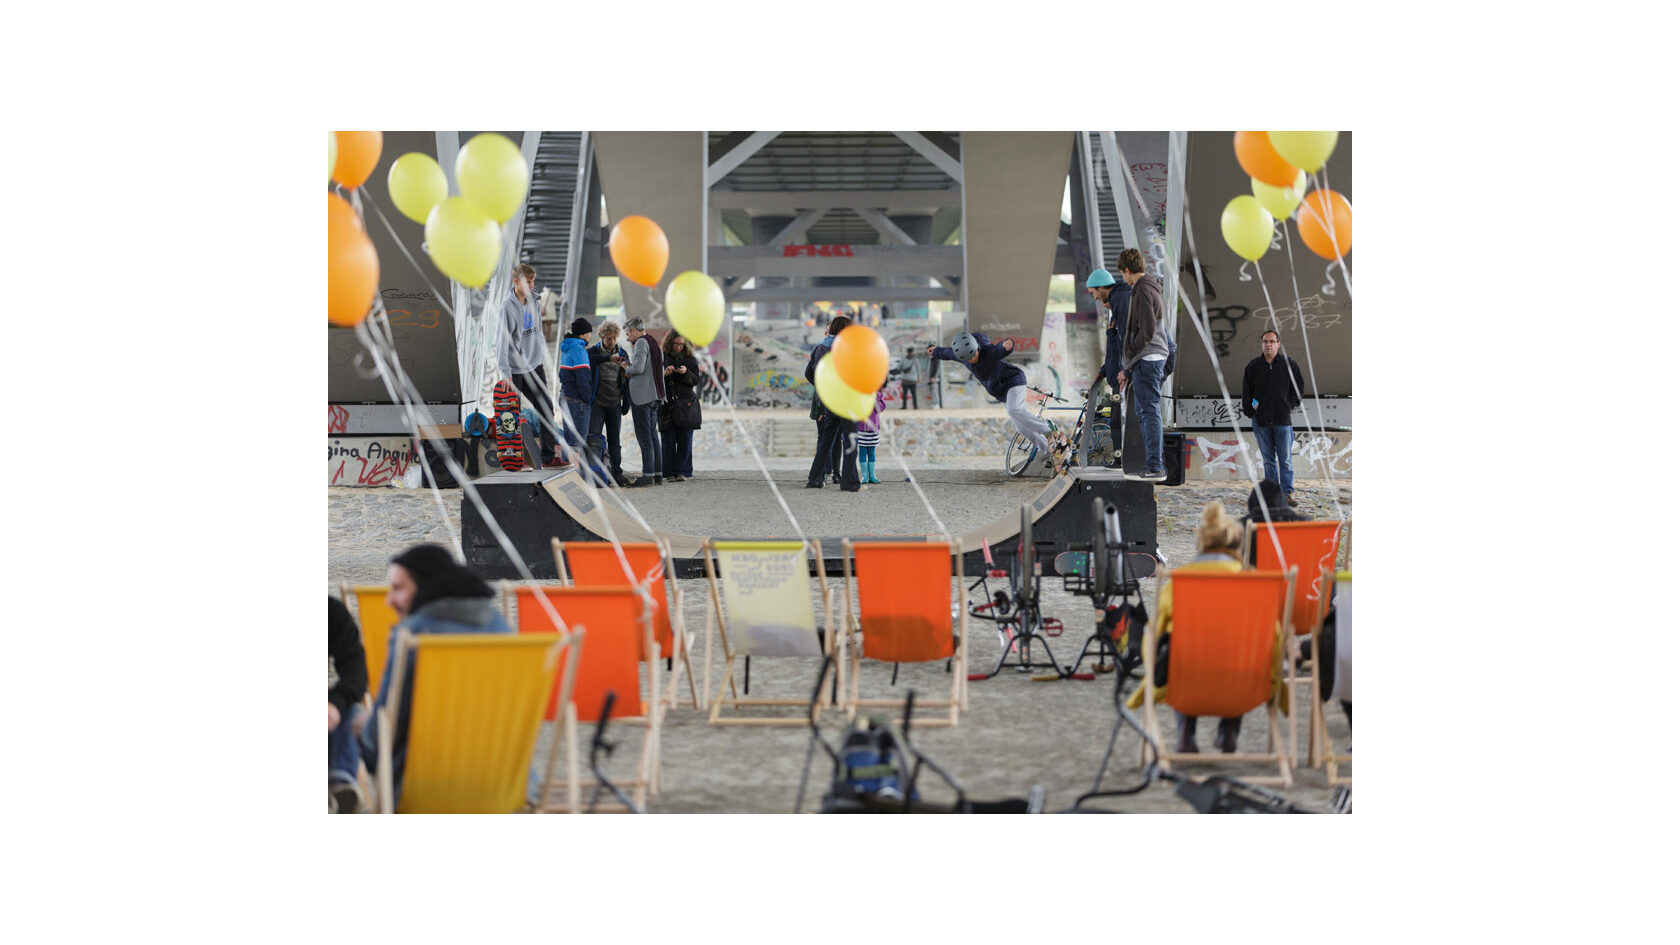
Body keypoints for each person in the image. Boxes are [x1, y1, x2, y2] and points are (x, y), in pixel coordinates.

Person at [360, 544, 512, 808]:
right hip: (501, 781)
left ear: (425, 585)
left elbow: (384, 731)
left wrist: (359, 729)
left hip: (424, 786)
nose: (389, 601)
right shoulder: (500, 627)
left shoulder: (413, 634)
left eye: (398, 588)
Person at [1125, 501, 1282, 754]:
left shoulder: (1179, 582)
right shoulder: (1253, 582)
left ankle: (1186, 732)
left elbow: (1152, 636)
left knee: (1183, 650)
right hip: (1245, 684)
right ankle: (1228, 731)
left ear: (1201, 545)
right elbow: (1274, 639)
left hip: (1185, 684)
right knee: (1237, 649)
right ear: (1236, 546)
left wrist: (1151, 663)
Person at [929, 330, 1068, 472]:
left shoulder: (988, 352)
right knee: (1021, 428)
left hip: (1014, 381)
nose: (972, 360)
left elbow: (999, 349)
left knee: (1014, 410)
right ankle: (1051, 452)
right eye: (968, 359)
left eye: (973, 356)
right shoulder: (963, 356)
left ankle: (1051, 432)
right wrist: (935, 351)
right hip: (1002, 392)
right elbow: (948, 353)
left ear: (976, 348)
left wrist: (1007, 345)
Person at [497, 264, 564, 468]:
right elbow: (501, 343)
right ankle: (514, 458)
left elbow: (537, 332)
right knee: (512, 415)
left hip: (535, 365)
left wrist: (541, 355)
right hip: (515, 370)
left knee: (546, 408)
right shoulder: (507, 308)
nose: (531, 285)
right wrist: (505, 373)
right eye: (528, 282)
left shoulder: (535, 301)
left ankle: (548, 456)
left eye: (533, 281)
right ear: (516, 282)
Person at [1114, 248, 1168, 482]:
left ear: (1127, 270)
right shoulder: (1150, 286)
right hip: (1149, 358)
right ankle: (1154, 464)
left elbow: (1146, 330)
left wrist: (1130, 351)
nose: (1124, 280)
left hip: (1147, 358)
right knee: (1147, 412)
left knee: (1149, 413)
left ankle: (1155, 466)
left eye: (1123, 274)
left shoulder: (1143, 290)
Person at [1242, 329, 1306, 508]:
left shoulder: (1289, 365)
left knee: (1285, 459)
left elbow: (1298, 387)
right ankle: (1272, 496)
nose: (1268, 345)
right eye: (1265, 342)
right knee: (1268, 460)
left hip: (1282, 420)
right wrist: (1251, 411)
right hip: (1261, 422)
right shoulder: (1253, 367)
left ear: (1278, 344)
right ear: (1261, 344)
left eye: (1271, 341)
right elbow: (1247, 392)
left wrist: (1289, 404)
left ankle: (1287, 493)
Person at [805, 315, 864, 492]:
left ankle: (815, 479)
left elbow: (808, 373)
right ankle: (850, 483)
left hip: (830, 401)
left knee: (826, 441)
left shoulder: (819, 348)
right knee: (850, 441)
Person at [1085, 267, 1133, 468]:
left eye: (1094, 292)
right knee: (1115, 422)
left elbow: (1127, 341)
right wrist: (1104, 370)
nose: (1095, 297)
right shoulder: (1115, 309)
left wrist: (1125, 370)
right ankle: (1121, 459)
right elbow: (1114, 349)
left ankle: (1124, 460)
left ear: (1102, 287)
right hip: (1117, 375)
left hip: (1124, 376)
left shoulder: (1121, 300)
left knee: (1120, 422)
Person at [328, 596, 369, 814]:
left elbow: (355, 672)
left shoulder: (330, 612)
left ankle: (338, 787)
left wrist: (335, 704)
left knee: (349, 709)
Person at [587, 321, 631, 487]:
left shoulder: (623, 353)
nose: (611, 341)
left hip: (614, 403)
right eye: (608, 338)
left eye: (613, 338)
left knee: (615, 441)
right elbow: (589, 361)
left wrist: (626, 371)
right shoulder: (593, 351)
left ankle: (616, 473)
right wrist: (608, 359)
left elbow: (628, 380)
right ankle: (594, 473)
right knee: (594, 440)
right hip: (597, 404)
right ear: (601, 337)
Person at [623, 317, 666, 487]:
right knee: (654, 436)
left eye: (627, 334)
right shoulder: (653, 341)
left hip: (642, 396)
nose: (627, 338)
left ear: (634, 330)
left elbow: (638, 368)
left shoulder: (641, 342)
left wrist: (626, 367)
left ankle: (647, 475)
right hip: (655, 395)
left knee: (644, 437)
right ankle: (657, 474)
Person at [661, 332, 700, 482]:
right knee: (668, 440)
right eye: (676, 344)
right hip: (668, 404)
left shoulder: (691, 359)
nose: (678, 347)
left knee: (685, 439)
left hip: (686, 404)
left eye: (681, 344)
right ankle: (669, 472)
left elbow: (695, 380)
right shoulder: (663, 357)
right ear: (670, 343)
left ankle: (683, 471)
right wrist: (665, 374)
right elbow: (655, 380)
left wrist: (686, 373)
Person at [558, 317, 596, 457]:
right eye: (589, 333)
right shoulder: (579, 350)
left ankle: (566, 475)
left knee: (568, 441)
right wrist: (588, 400)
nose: (591, 336)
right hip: (577, 401)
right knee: (577, 443)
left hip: (564, 397)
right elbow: (583, 378)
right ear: (583, 334)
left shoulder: (567, 347)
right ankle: (576, 476)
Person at [855, 387, 887, 484]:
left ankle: (872, 475)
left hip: (873, 430)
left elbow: (880, 408)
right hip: (861, 429)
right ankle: (864, 476)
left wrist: (874, 398)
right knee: (862, 452)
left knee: (872, 452)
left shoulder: (878, 395)